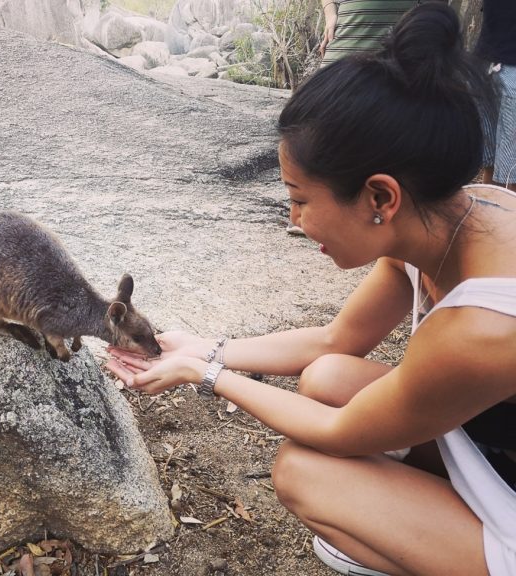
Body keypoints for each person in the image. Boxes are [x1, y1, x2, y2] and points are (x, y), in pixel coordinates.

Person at [108, 4, 516, 576]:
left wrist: (206, 376)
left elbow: (338, 432)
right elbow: (335, 340)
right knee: (328, 376)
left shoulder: (484, 325)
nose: (294, 220)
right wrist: (203, 347)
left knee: (304, 471)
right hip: (495, 449)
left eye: (300, 199)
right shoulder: (455, 218)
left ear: (380, 198)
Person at [286, 0, 417, 235]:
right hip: (345, 44)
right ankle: (314, 213)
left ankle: (366, 220)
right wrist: (330, 14)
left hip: (395, 52)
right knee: (315, 131)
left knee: (382, 139)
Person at [476, 0, 516, 191]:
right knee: (491, 160)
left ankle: (504, 217)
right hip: (488, 60)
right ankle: (489, 213)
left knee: (510, 171)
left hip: (507, 67)